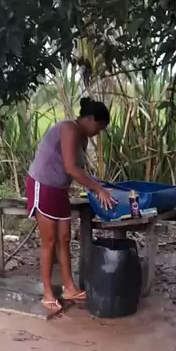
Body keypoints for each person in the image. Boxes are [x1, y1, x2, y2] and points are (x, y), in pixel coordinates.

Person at [27, 97, 116, 313]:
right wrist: (98, 189)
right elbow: (70, 167)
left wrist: (97, 184)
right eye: (99, 127)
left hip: (59, 190)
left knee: (64, 238)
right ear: (90, 119)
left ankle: (69, 288)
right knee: (49, 241)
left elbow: (78, 169)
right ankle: (47, 293)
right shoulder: (69, 128)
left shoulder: (82, 138)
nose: (98, 133)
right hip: (43, 185)